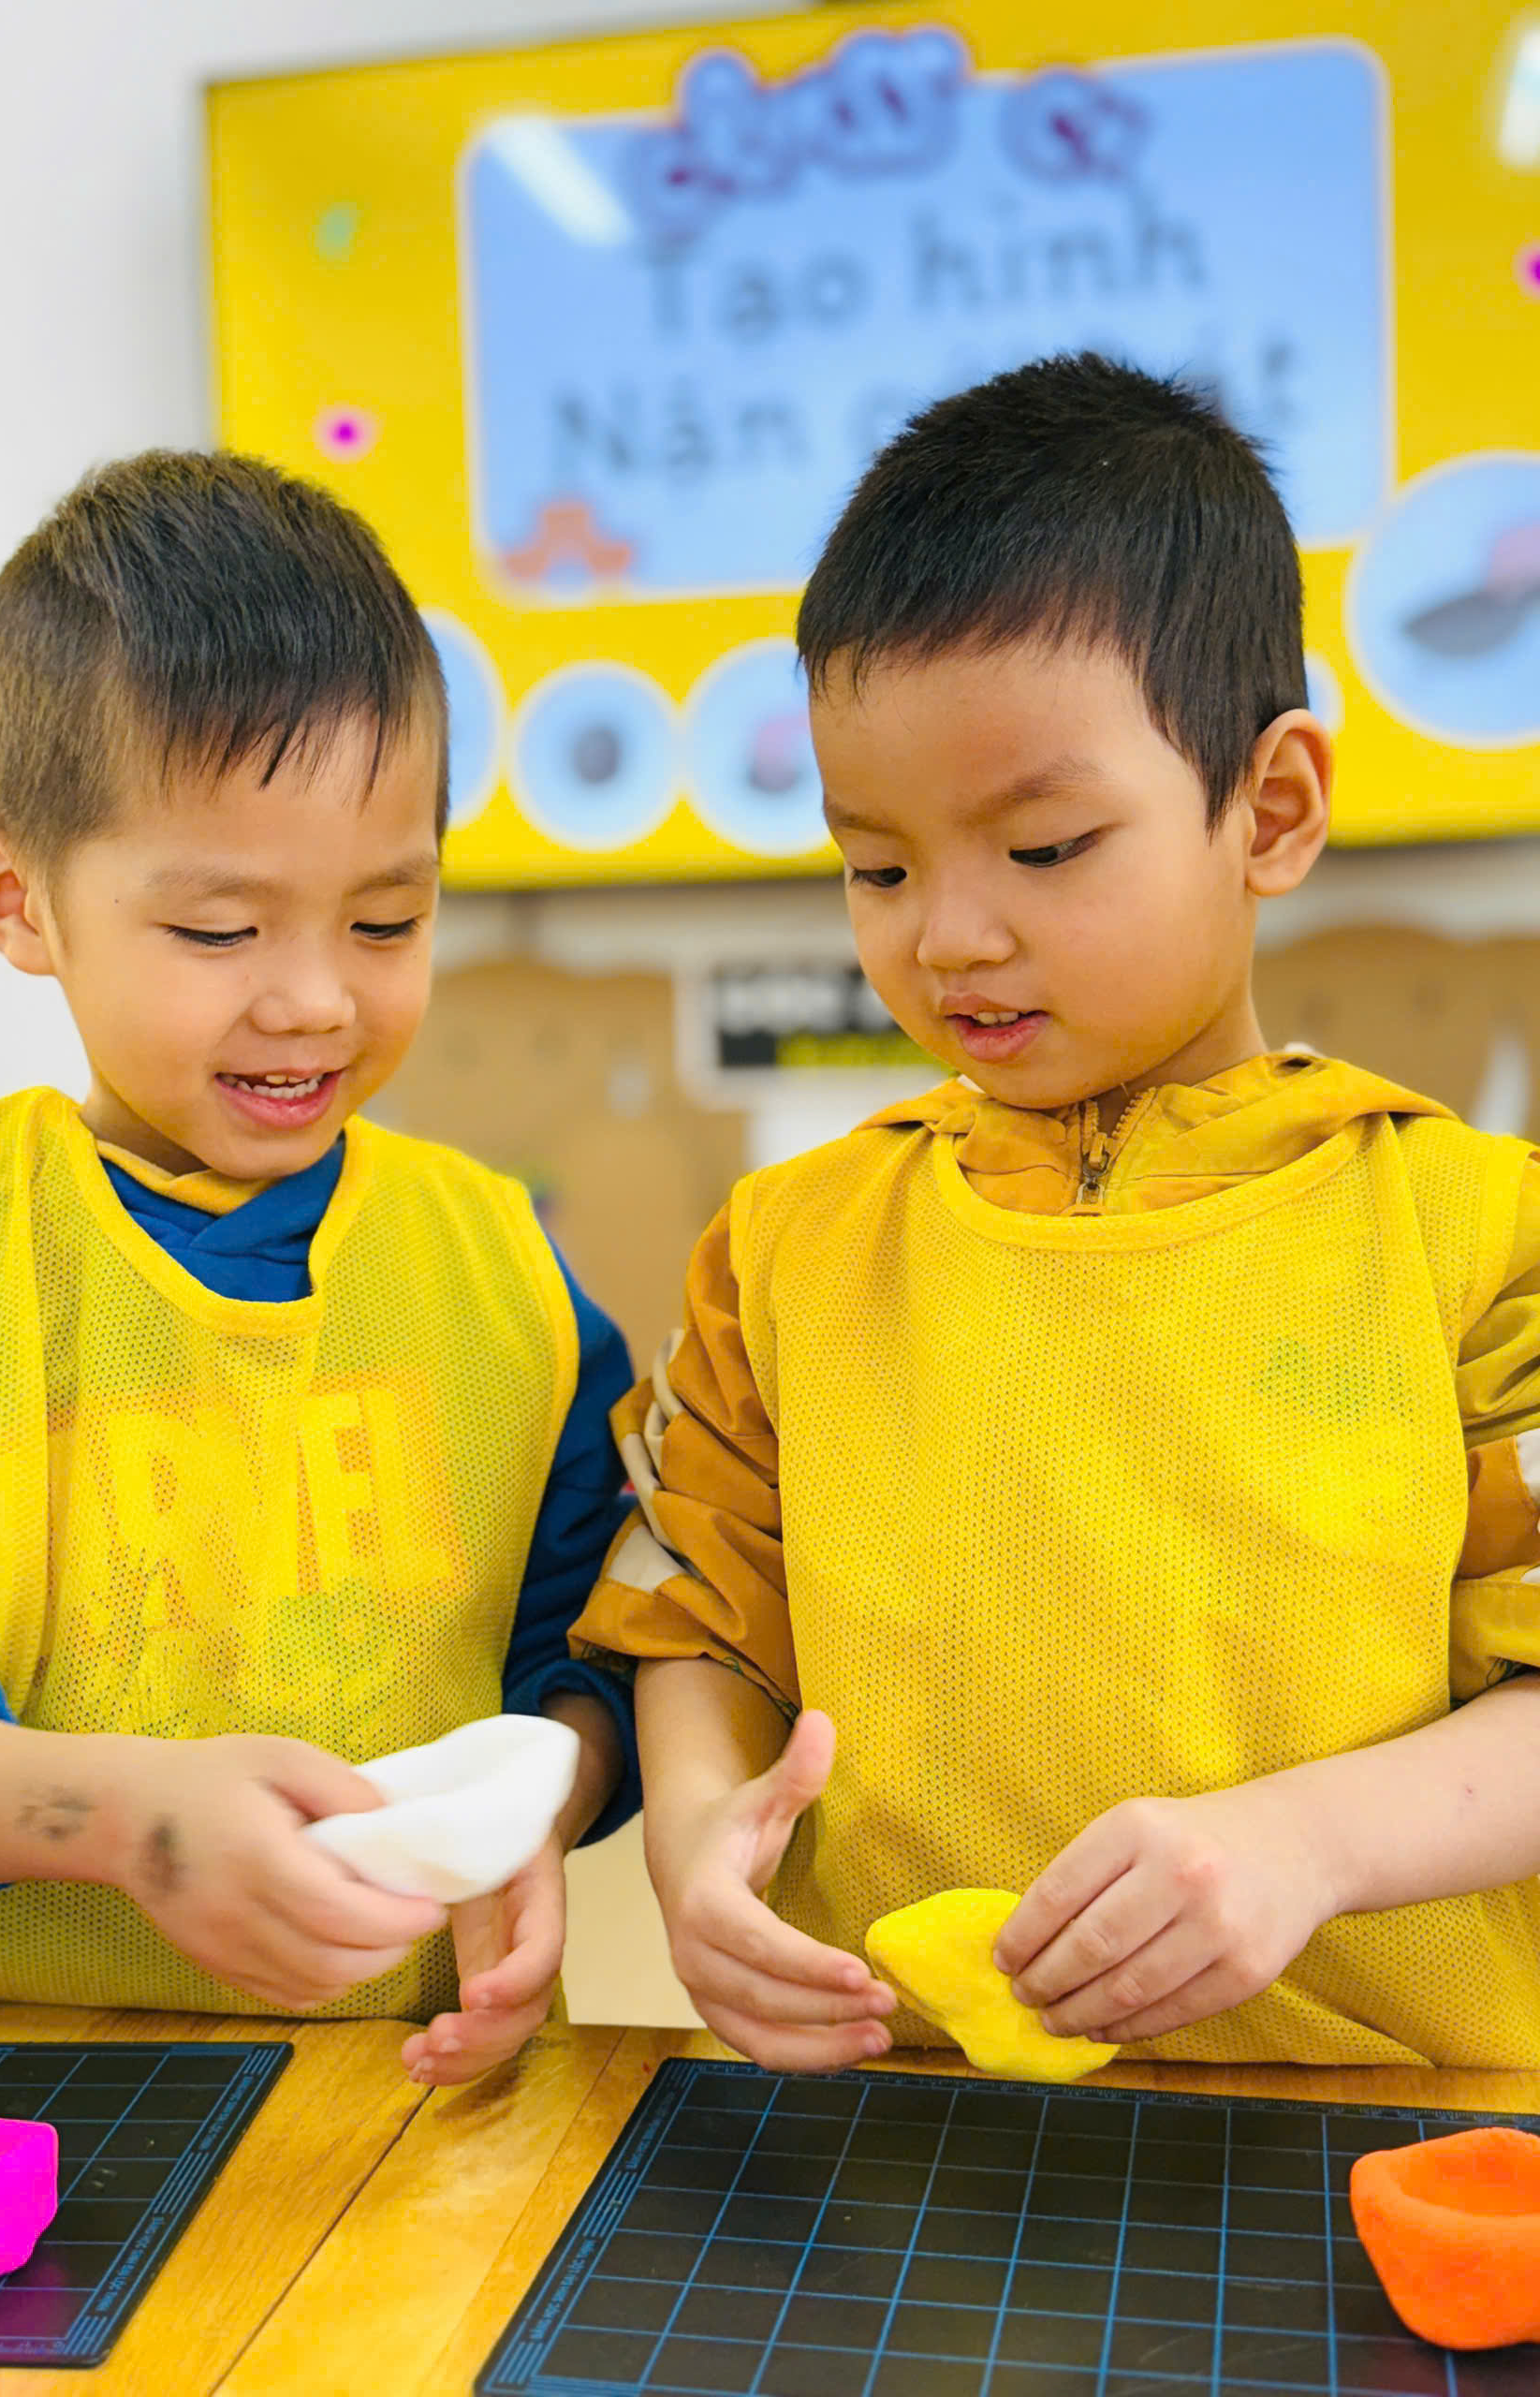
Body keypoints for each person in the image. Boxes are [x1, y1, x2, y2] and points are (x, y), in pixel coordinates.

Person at [571, 353, 1540, 2071]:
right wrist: (696, 1837)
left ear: (1271, 809)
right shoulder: (785, 1251)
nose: (948, 936)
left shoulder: (1476, 1240)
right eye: (877, 866)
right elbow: (700, 1608)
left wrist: (1309, 1845)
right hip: (906, 2115)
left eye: (1044, 849)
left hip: (1380, 2135)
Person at [0, 451, 638, 2086]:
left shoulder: (503, 1273)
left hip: (399, 2089)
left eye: (386, 921)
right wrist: (126, 1821)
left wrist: (537, 1807)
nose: (313, 1000)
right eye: (221, 931)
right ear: (18, 899)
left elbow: (591, 1654)